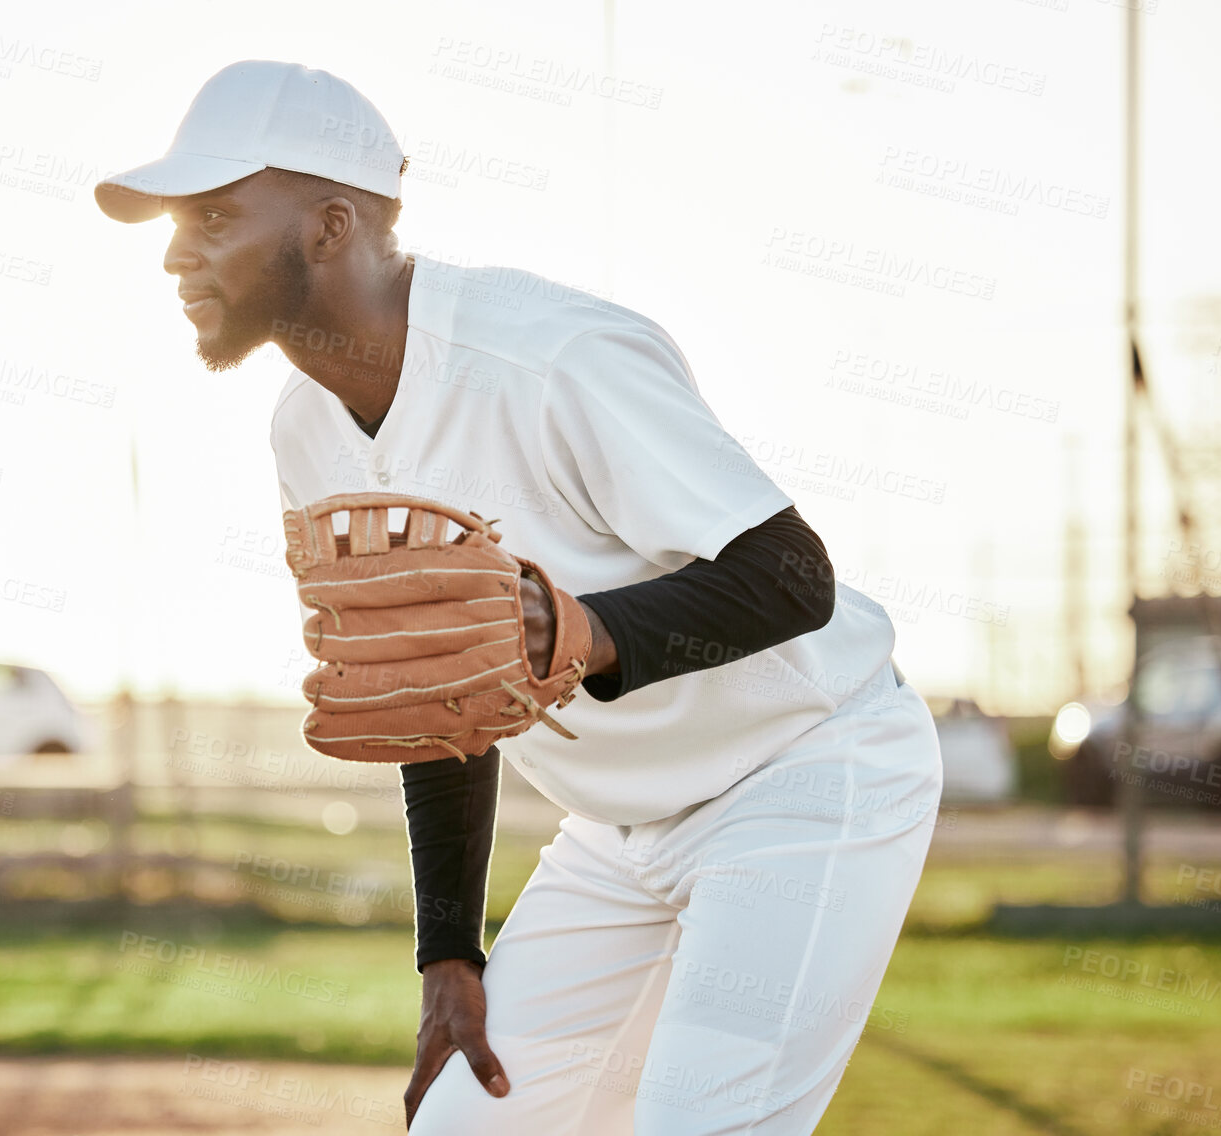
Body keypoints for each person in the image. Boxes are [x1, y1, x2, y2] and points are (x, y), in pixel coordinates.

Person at [95, 59, 943, 1135]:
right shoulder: (303, 431)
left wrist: (582, 630)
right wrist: (448, 950)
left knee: (700, 1119)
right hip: (619, 824)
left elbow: (792, 573)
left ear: (329, 224)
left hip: (804, 770)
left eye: (213, 215)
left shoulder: (549, 354)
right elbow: (422, 690)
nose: (176, 252)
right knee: (464, 1124)